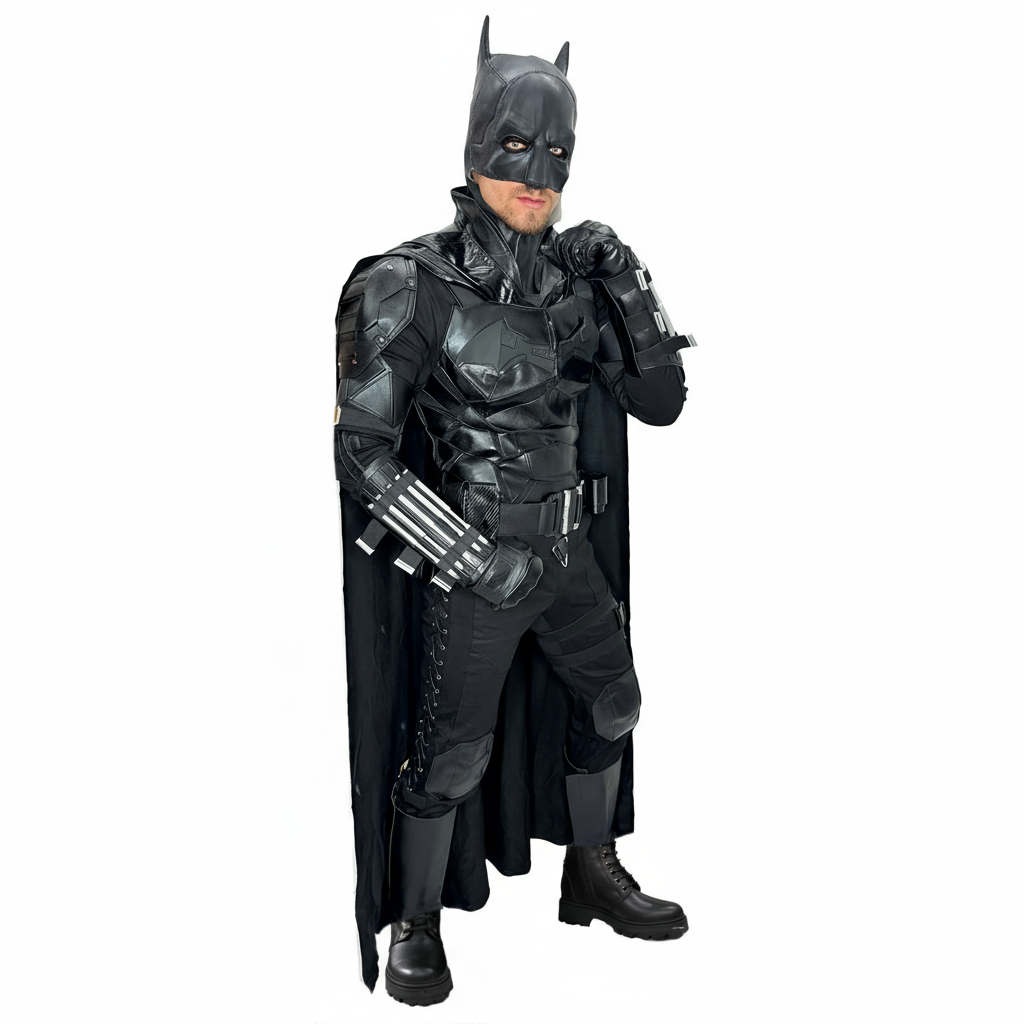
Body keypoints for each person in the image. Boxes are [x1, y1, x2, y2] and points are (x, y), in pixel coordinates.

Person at [333, 17, 696, 1007]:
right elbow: (360, 450)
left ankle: (593, 869)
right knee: (450, 755)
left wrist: (629, 284)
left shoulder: (577, 280)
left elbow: (660, 403)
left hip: (571, 552)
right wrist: (467, 555)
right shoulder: (412, 283)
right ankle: (415, 921)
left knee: (614, 704)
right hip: (476, 562)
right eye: (516, 147)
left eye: (557, 154)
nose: (538, 175)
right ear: (474, 150)